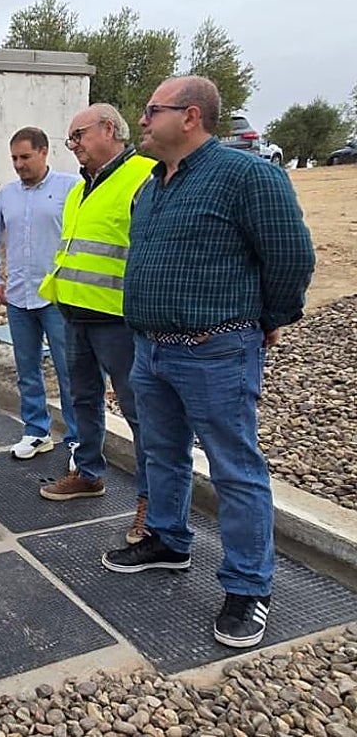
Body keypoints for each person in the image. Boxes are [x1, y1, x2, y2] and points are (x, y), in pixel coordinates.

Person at [103, 76, 314, 649]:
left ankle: (249, 586)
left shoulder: (248, 176)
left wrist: (269, 317)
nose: (141, 121)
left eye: (152, 111)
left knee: (234, 467)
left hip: (216, 352)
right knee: (161, 454)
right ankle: (169, 542)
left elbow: (292, 259)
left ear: (190, 117)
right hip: (151, 350)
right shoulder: (151, 184)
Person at [36, 104, 156, 546]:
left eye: (78, 136)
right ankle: (88, 473)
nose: (73, 146)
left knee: (141, 413)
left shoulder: (144, 175)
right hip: (75, 315)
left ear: (109, 129)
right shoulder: (80, 188)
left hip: (119, 321)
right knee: (82, 399)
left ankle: (151, 503)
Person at [0, 126, 81, 460]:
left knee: (71, 371)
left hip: (57, 298)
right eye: (14, 158)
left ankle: (78, 437)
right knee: (27, 369)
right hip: (19, 298)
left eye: (25, 157)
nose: (19, 164)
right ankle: (36, 431)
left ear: (43, 152)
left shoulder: (71, 189)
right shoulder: (6, 195)